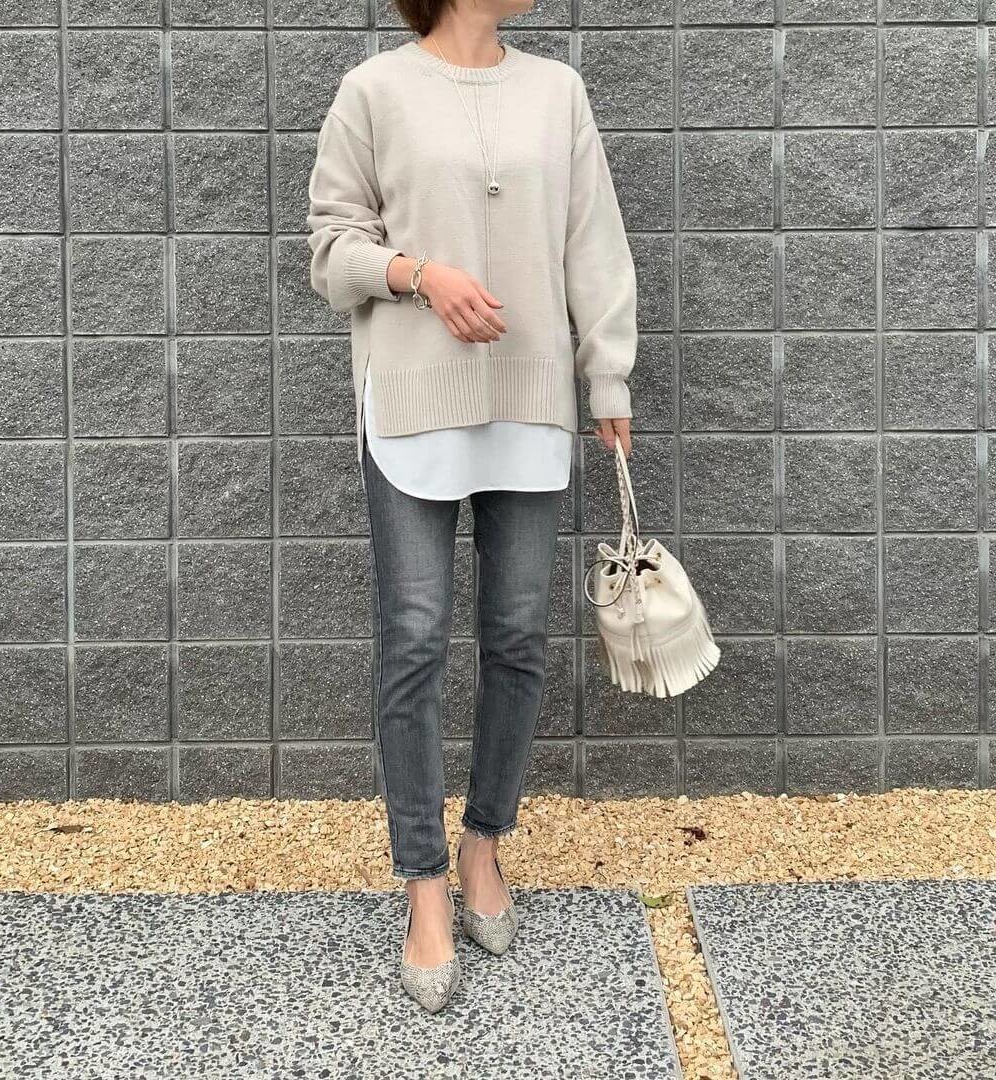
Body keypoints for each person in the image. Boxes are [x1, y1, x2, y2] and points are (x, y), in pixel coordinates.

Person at [306, 0, 637, 1012]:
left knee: (519, 636)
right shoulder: (374, 90)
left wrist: (608, 376)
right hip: (413, 404)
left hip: (529, 399)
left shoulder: (558, 91)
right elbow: (330, 251)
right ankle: (423, 885)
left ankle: (484, 842)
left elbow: (593, 241)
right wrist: (419, 275)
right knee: (414, 638)